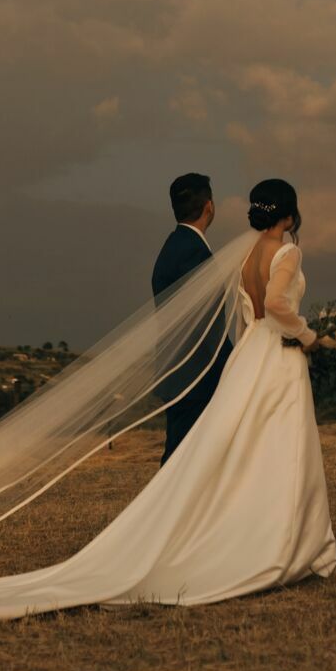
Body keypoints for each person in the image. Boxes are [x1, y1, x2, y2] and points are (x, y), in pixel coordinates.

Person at [0, 179, 336, 619]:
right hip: (269, 358)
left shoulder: (238, 255)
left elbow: (243, 315)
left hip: (247, 357)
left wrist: (243, 355)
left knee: (238, 453)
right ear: (289, 213)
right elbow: (277, 304)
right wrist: (310, 335)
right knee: (273, 449)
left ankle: (242, 533)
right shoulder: (284, 251)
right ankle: (272, 541)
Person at [150, 173, 229, 464]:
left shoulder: (173, 247)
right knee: (180, 462)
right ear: (209, 206)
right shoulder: (192, 253)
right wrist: (232, 366)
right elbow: (205, 323)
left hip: (181, 371)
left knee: (186, 461)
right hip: (194, 374)